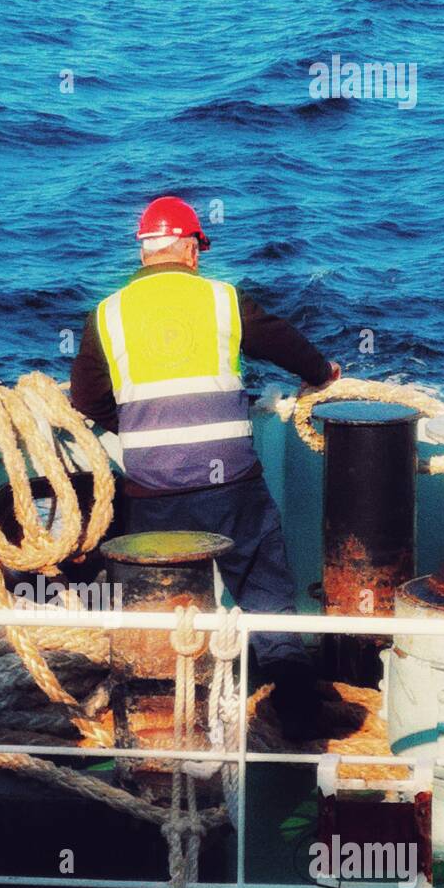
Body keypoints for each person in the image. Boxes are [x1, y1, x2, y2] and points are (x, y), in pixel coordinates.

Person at [70, 194, 341, 738]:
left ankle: (158, 719)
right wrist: (324, 371)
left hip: (152, 492)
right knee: (266, 595)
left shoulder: (107, 315)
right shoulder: (223, 300)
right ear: (192, 248)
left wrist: (140, 430)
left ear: (145, 252)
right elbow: (288, 346)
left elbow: (84, 398)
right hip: (232, 486)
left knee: (161, 608)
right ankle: (296, 706)